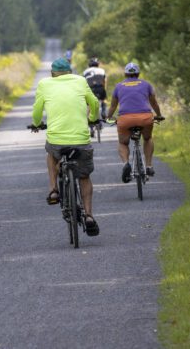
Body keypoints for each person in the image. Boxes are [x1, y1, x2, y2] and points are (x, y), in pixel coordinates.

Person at [31, 58, 101, 236]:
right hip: (80, 140)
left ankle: (53, 189)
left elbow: (37, 110)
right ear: (70, 71)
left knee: (51, 154)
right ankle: (89, 216)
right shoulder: (80, 81)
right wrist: (92, 118)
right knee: (84, 176)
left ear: (53, 73)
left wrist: (37, 124)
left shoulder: (45, 84)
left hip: (57, 140)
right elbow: (94, 103)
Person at [107, 62, 163, 183]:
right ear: (138, 74)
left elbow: (112, 106)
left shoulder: (118, 86)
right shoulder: (146, 84)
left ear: (125, 74)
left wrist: (108, 117)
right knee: (147, 139)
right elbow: (154, 103)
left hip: (125, 119)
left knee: (123, 142)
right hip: (145, 118)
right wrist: (158, 115)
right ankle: (148, 166)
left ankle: (126, 163)